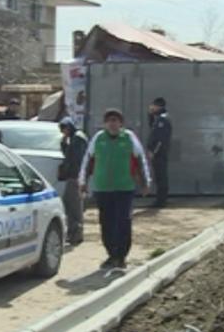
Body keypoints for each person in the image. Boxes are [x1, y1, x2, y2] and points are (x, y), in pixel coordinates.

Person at [79, 109, 151, 269]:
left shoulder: (129, 138)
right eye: (109, 121)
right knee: (106, 222)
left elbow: (141, 160)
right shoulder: (98, 139)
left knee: (123, 222)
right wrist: (82, 182)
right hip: (103, 188)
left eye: (115, 121)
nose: (112, 124)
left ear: (121, 123)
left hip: (124, 187)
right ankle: (111, 254)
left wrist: (146, 182)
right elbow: (87, 160)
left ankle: (122, 256)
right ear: (105, 124)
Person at [58, 117, 88, 245]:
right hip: (74, 177)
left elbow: (76, 160)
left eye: (64, 129)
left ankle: (76, 233)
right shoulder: (74, 138)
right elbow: (69, 154)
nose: (63, 133)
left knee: (73, 205)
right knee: (70, 204)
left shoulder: (78, 139)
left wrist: (77, 177)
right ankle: (73, 232)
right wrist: (64, 143)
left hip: (75, 177)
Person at [147, 97, 172, 208]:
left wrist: (154, 151)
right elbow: (152, 127)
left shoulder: (163, 119)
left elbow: (160, 139)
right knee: (159, 176)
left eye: (153, 106)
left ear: (158, 106)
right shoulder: (159, 118)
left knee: (161, 176)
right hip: (158, 152)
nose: (152, 108)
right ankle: (161, 199)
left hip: (160, 153)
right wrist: (150, 114)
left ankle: (161, 200)